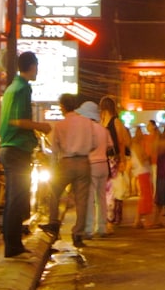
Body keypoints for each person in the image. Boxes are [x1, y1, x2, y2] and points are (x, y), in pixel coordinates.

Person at [0, 51, 51, 260]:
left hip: (11, 149)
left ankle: (13, 243)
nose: (37, 70)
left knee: (15, 198)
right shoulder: (22, 88)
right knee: (16, 198)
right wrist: (42, 126)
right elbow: (18, 120)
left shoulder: (12, 88)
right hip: (16, 149)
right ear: (32, 66)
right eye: (37, 65)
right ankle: (12, 246)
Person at [43, 98, 97, 248]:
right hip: (84, 162)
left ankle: (53, 222)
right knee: (82, 200)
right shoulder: (87, 123)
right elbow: (94, 144)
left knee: (54, 191)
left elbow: (55, 150)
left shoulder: (60, 125)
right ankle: (78, 234)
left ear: (62, 107)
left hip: (66, 162)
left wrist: (54, 167)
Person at [85, 101, 113, 238]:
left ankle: (89, 229)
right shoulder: (104, 129)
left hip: (92, 165)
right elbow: (110, 146)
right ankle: (102, 228)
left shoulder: (87, 129)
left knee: (90, 198)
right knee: (101, 198)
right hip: (104, 164)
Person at [100, 96, 130, 225]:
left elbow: (122, 142)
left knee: (114, 188)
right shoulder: (103, 122)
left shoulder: (115, 121)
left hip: (114, 159)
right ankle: (111, 217)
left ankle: (113, 217)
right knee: (109, 189)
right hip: (105, 159)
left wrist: (122, 160)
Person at [131, 120, 157, 229]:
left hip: (142, 172)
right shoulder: (137, 146)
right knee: (146, 196)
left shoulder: (135, 146)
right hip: (143, 172)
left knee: (144, 196)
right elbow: (142, 160)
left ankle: (138, 220)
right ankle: (146, 220)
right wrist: (148, 156)